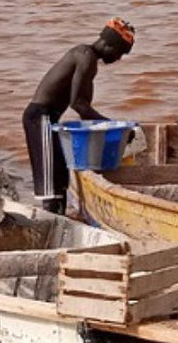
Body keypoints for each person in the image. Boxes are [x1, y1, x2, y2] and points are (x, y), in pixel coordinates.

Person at [23, 18, 135, 213]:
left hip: (50, 118)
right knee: (50, 183)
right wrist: (118, 128)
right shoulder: (85, 56)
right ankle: (51, 219)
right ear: (109, 45)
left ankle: (60, 217)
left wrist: (114, 128)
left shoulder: (88, 59)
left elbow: (85, 110)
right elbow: (79, 105)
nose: (118, 59)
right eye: (119, 53)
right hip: (39, 117)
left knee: (60, 176)